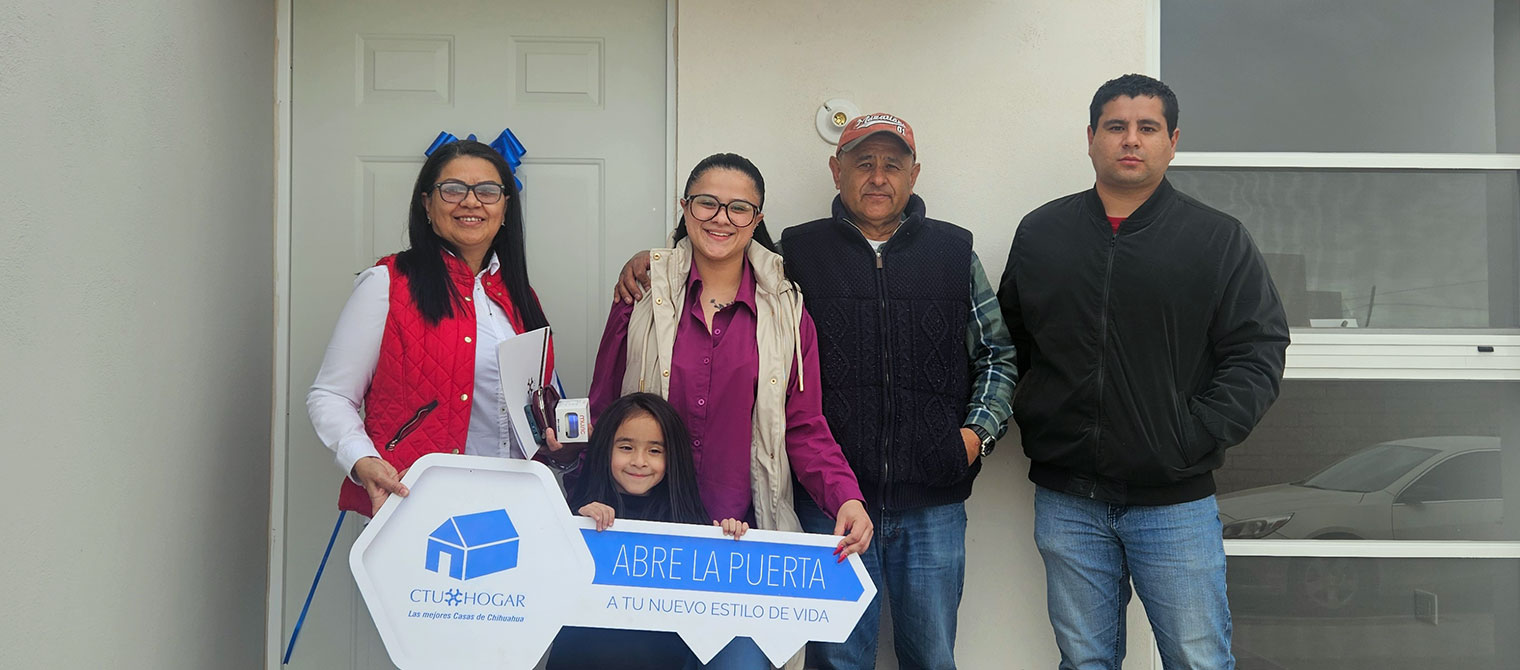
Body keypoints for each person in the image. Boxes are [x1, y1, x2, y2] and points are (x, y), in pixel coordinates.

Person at [616, 116, 1018, 670]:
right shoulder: (794, 257)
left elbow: (998, 354)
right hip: (822, 504)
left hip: (931, 499)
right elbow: (718, 251)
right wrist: (651, 259)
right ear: (836, 170)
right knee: (836, 658)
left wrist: (972, 438)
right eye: (863, 163)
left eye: (893, 165)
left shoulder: (953, 253)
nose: (877, 177)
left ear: (915, 174)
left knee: (931, 655)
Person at [997, 74, 1289, 669]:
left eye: (1147, 128)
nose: (1131, 140)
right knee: (1084, 662)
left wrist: (1193, 433)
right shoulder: (1042, 233)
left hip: (1173, 502)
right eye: (1116, 127)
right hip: (1068, 497)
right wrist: (1038, 411)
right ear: (1091, 138)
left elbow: (1257, 349)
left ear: (1172, 141)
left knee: (1197, 658)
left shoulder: (1215, 239)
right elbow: (1010, 343)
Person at [591, 152, 873, 669]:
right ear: (685, 208)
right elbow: (603, 409)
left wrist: (845, 498)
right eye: (708, 203)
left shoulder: (787, 311)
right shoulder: (640, 295)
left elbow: (804, 427)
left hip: (738, 546)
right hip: (645, 540)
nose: (722, 218)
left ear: (757, 219)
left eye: (739, 208)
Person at [308, 139, 576, 517]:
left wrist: (554, 445)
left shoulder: (520, 297)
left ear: (504, 208)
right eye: (452, 189)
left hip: (516, 505)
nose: (471, 202)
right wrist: (361, 459)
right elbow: (330, 395)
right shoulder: (387, 284)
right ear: (427, 205)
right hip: (420, 506)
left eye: (487, 191)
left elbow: (526, 409)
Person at [547, 393, 750, 670]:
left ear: (673, 457)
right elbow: (548, 587)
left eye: (655, 451)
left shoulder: (688, 524)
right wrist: (575, 524)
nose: (639, 461)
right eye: (626, 447)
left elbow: (717, 610)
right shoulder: (576, 516)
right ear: (604, 449)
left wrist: (730, 540)